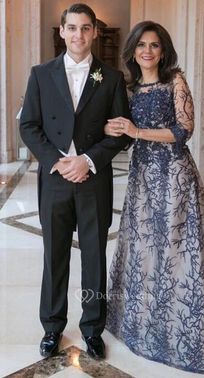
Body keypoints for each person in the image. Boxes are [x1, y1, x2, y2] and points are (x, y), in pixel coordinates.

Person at [105, 21, 204, 374]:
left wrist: (137, 130)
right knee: (145, 250)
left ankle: (184, 337)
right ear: (132, 51)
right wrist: (111, 129)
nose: (147, 51)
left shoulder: (175, 81)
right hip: (142, 178)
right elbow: (126, 138)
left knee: (179, 250)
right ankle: (145, 329)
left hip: (175, 177)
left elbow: (183, 131)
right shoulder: (128, 90)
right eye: (141, 45)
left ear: (164, 51)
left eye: (154, 45)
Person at [20, 3, 130, 360]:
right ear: (62, 31)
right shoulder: (40, 74)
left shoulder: (111, 78)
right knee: (55, 255)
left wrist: (87, 160)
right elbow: (29, 126)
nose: (79, 35)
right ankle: (52, 327)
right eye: (72, 28)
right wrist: (58, 161)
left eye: (86, 28)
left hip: (93, 178)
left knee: (95, 256)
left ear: (95, 32)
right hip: (55, 179)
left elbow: (121, 133)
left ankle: (93, 328)